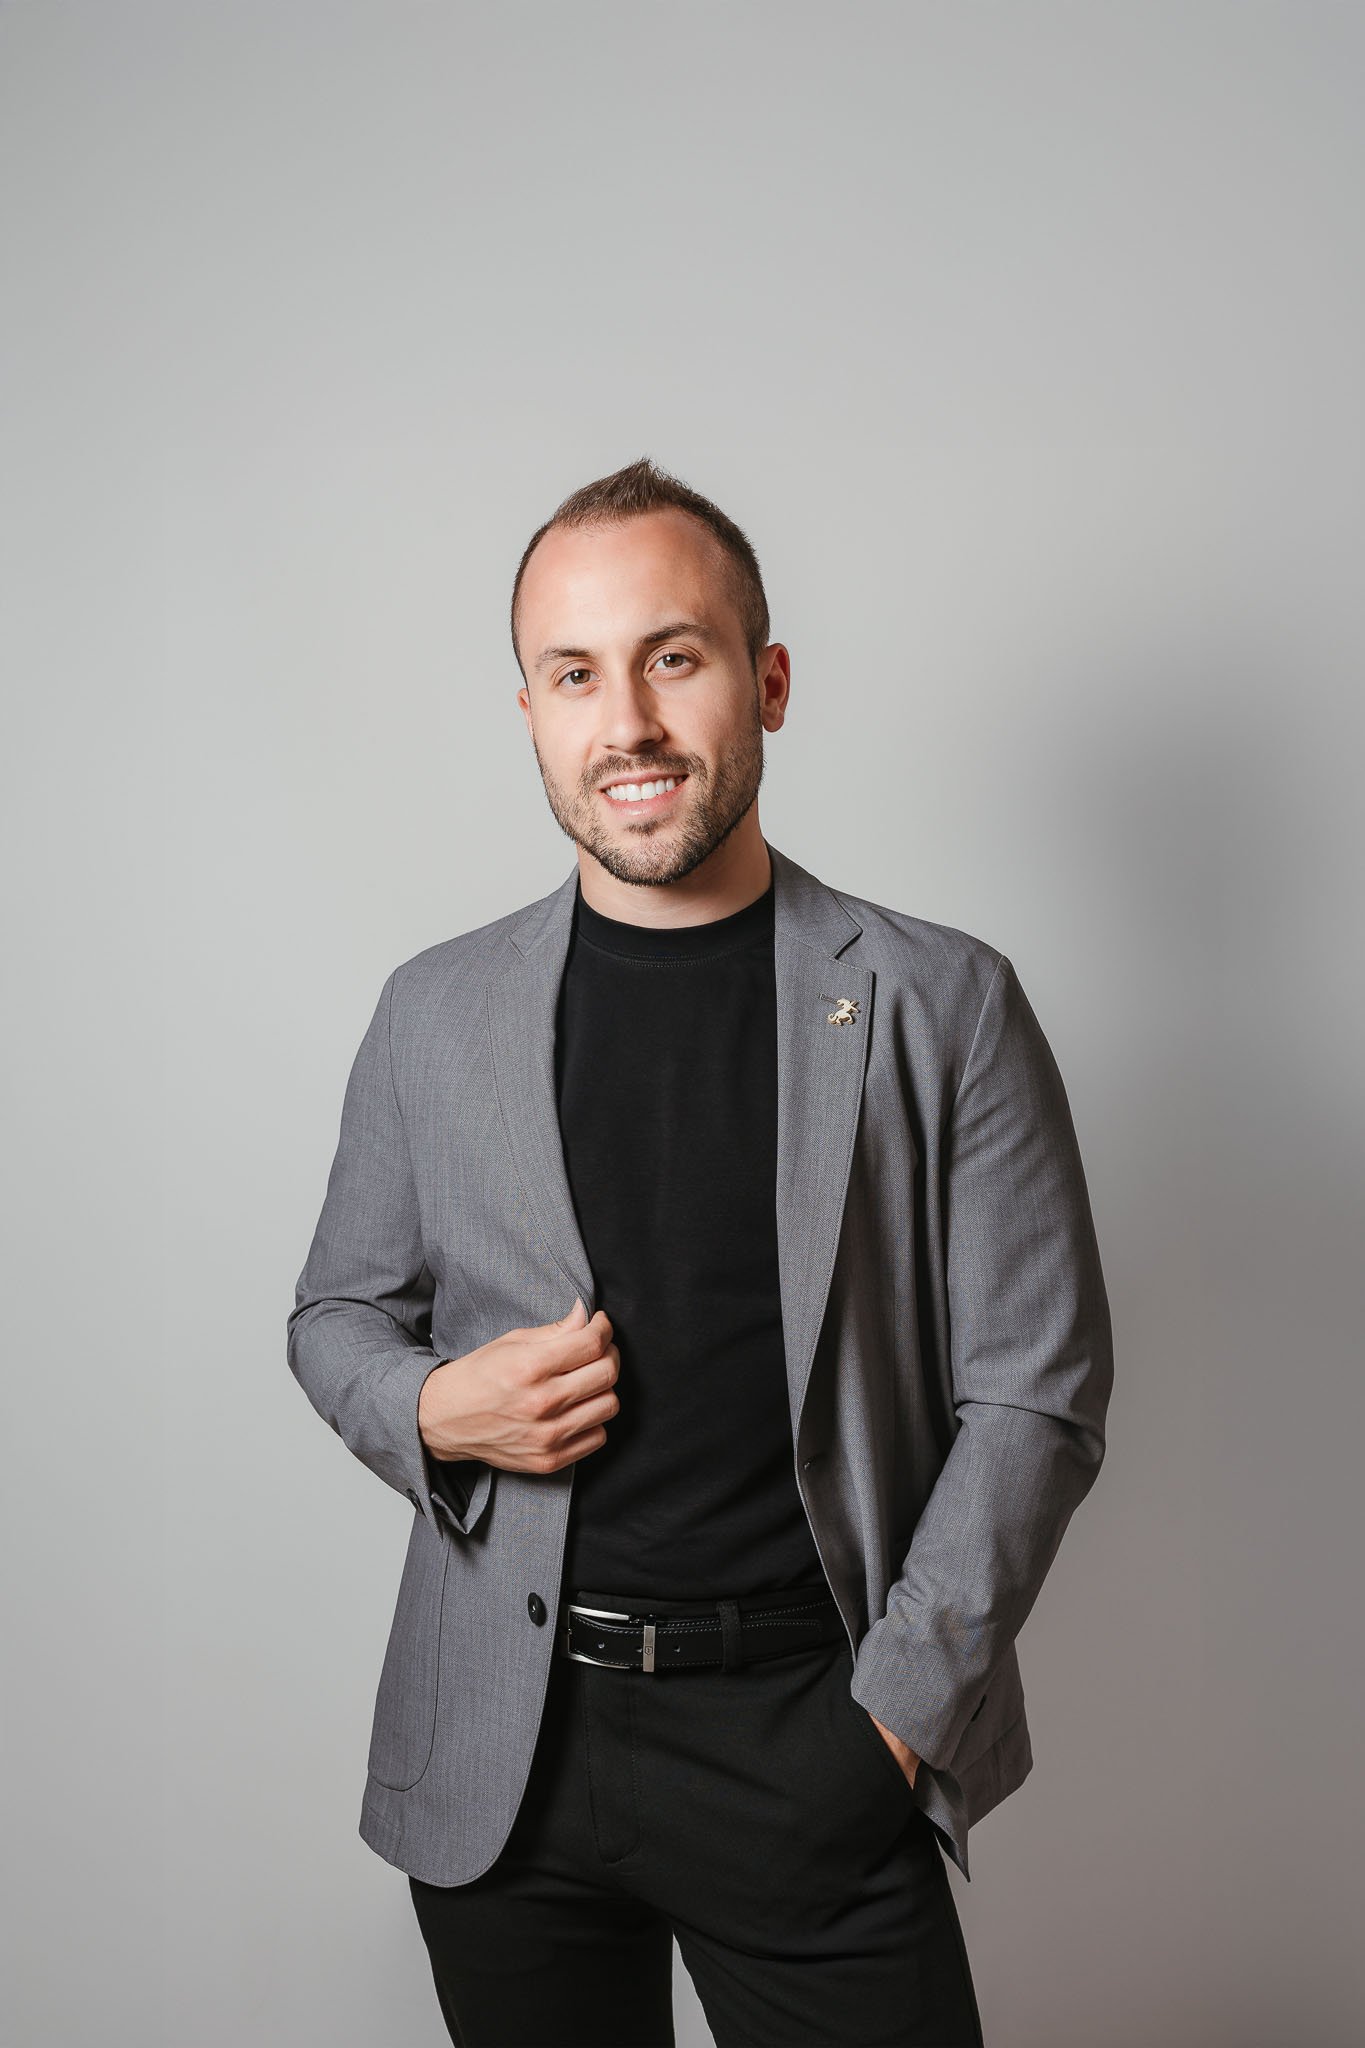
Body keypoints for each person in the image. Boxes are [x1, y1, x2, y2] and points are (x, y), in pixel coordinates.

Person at [287, 455, 1114, 2047]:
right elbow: (336, 1311)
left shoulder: (945, 1006)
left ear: (767, 681)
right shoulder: (431, 1014)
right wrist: (426, 1414)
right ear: (526, 708)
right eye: (574, 674)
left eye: (674, 657)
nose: (630, 724)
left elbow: (1037, 1398)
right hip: (510, 1761)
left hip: (809, 1731)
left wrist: (887, 1725)